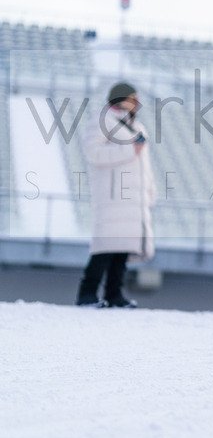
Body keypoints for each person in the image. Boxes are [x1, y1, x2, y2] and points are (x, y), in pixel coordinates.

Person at [76, 82, 155, 308]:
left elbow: (144, 165)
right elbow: (93, 153)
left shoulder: (136, 126)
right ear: (119, 99)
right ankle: (87, 294)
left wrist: (149, 191)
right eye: (132, 97)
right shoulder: (102, 121)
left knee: (122, 249)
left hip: (132, 198)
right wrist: (129, 149)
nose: (136, 103)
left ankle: (114, 294)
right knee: (105, 247)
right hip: (113, 195)